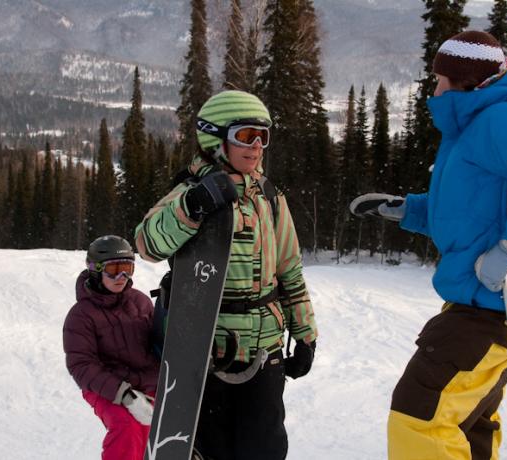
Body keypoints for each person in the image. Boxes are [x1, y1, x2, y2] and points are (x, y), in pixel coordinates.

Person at [350, 30, 507, 459]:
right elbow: (470, 214)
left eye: (440, 78)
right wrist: (406, 210)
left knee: (420, 416)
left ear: (465, 81)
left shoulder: (500, 119)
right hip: (484, 305)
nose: (434, 86)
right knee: (468, 425)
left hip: (496, 306)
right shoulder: (476, 125)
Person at [135, 89, 318, 460]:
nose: (257, 146)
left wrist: (305, 333)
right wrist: (193, 206)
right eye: (245, 136)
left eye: (263, 136)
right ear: (215, 139)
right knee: (212, 449)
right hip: (207, 353)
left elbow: (289, 269)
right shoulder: (189, 192)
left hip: (265, 351)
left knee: (264, 448)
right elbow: (147, 243)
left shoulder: (269, 196)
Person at [62, 235, 160, 460]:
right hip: (106, 385)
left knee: (169, 420)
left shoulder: (140, 302)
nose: (121, 277)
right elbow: (81, 365)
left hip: (147, 380)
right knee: (127, 424)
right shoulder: (81, 315)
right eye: (114, 269)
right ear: (95, 270)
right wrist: (123, 394)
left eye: (127, 269)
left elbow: (156, 341)